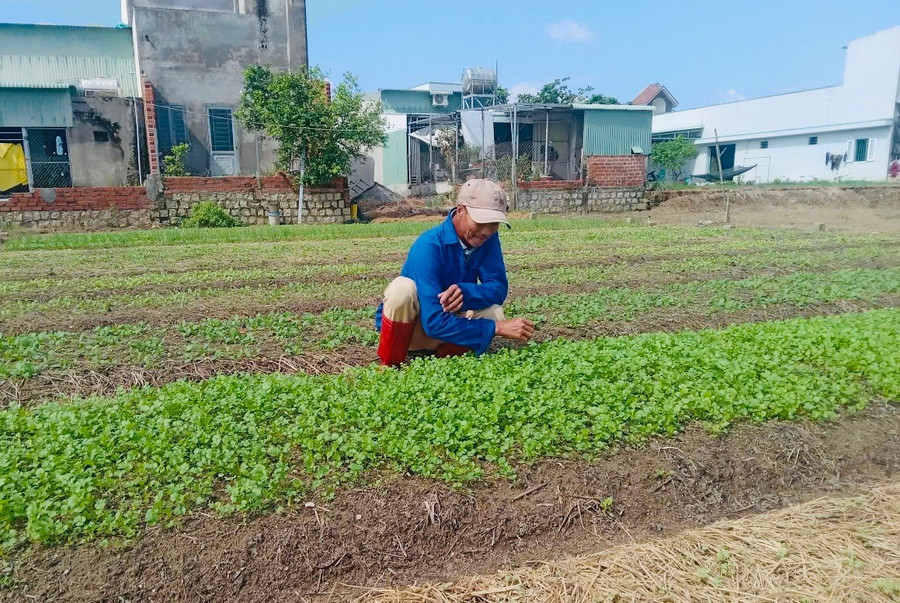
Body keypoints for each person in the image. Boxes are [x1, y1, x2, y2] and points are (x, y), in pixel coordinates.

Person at [375, 179, 535, 366]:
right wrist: (497, 328)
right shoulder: (428, 245)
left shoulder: (487, 239)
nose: (487, 231)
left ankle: (446, 357)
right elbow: (433, 321)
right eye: (481, 221)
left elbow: (498, 288)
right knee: (402, 289)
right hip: (413, 330)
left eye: (494, 223)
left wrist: (466, 292)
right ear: (460, 210)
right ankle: (390, 363)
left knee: (494, 312)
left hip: (448, 323)